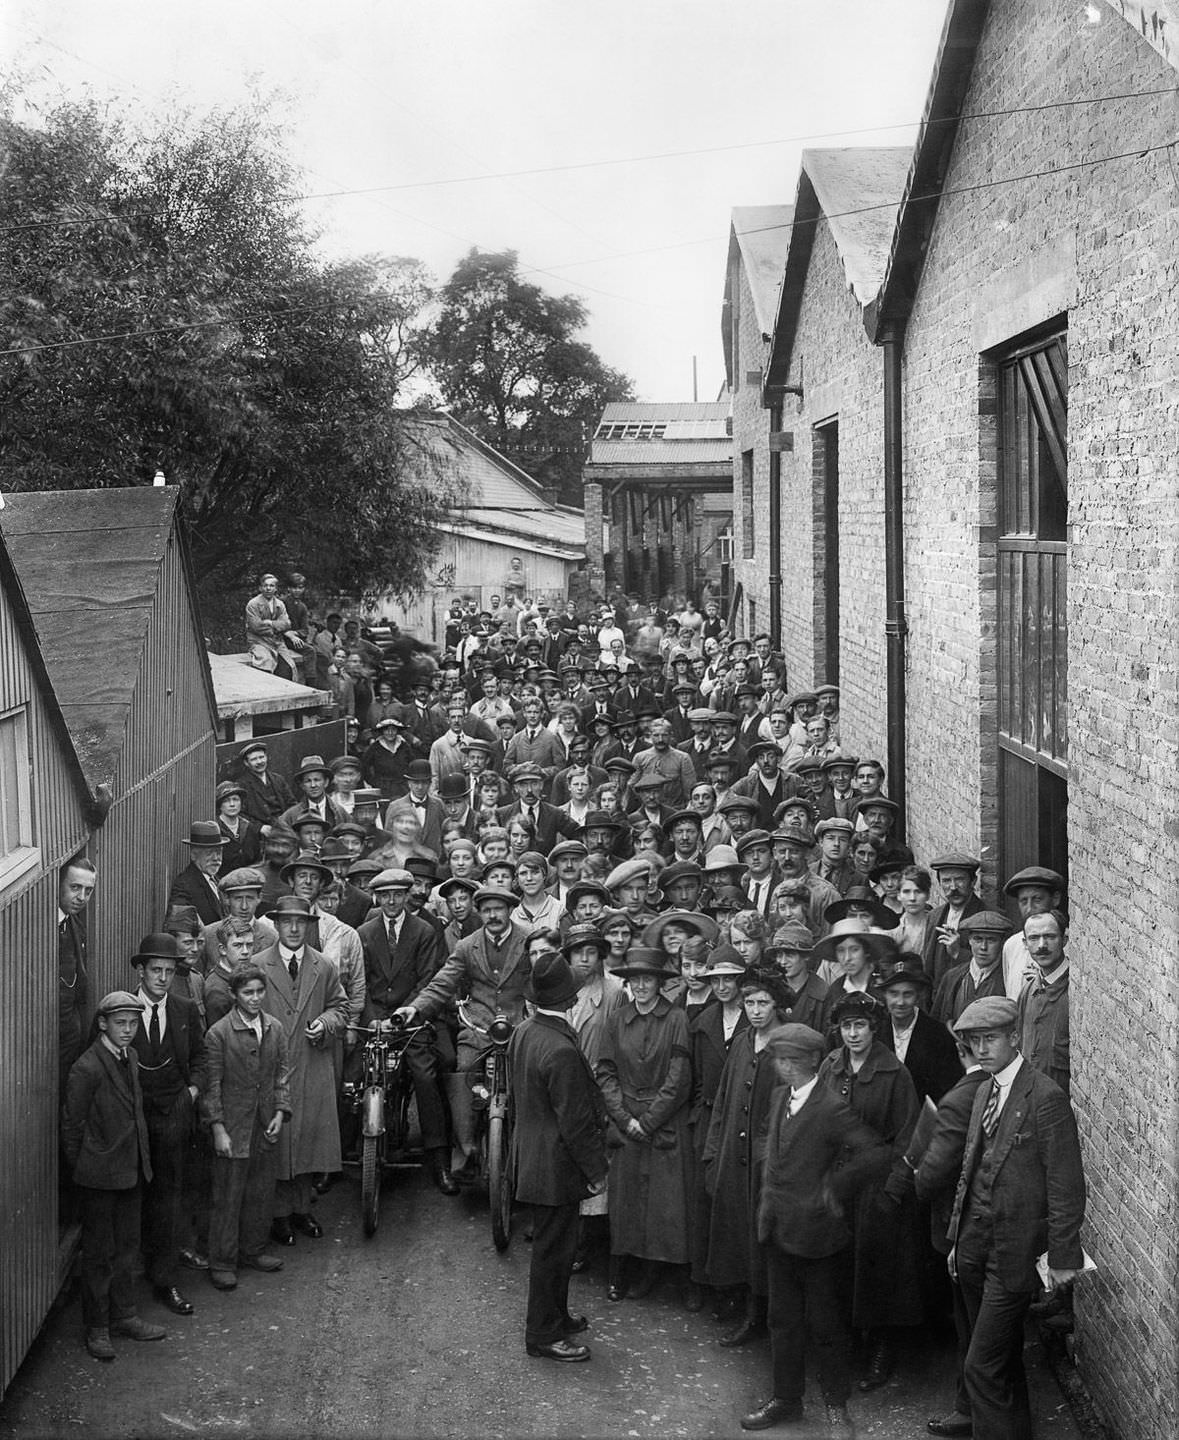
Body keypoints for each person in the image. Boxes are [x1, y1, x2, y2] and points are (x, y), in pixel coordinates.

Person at [945, 998, 1086, 1440]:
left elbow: (1066, 1184)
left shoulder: (1044, 1097)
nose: (981, 1049)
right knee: (999, 1358)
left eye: (990, 1039)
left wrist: (1064, 1257)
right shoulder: (985, 1089)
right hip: (974, 1245)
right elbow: (970, 1168)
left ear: (1014, 1039)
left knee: (981, 1364)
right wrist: (956, 1239)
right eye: (974, 1041)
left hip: (1015, 1251)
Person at [743, 1022, 889, 1436]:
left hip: (821, 1237)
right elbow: (771, 1143)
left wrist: (834, 1188)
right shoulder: (778, 1097)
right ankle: (786, 1399)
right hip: (779, 1229)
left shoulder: (829, 1107)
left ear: (812, 1062)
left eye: (791, 1060)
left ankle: (835, 1407)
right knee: (782, 1320)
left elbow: (875, 1153)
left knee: (826, 1326)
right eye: (779, 1059)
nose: (783, 1068)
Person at [818, 991, 922, 1391]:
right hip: (839, 1184)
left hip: (876, 1189)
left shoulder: (894, 1073)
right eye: (846, 1026)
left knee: (879, 1273)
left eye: (860, 1025)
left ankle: (881, 1348)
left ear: (873, 1027)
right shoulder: (832, 1066)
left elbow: (910, 1135)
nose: (853, 1033)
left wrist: (894, 1188)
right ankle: (846, 1347)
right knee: (839, 1269)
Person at [509, 949, 609, 1363]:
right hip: (556, 1164)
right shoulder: (562, 1049)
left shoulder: (525, 1031)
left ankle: (557, 1316)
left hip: (533, 1154)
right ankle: (544, 1334)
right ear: (570, 1000)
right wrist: (596, 1170)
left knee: (557, 1247)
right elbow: (575, 1123)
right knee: (553, 1253)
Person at [394, 887, 533, 1179]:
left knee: (531, 1081)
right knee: (464, 1072)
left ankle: (530, 1158)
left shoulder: (529, 939)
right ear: (478, 913)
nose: (493, 915)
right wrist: (416, 1009)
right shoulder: (468, 945)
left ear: (509, 910)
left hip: (520, 1026)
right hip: (479, 1026)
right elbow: (443, 982)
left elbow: (544, 975)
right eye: (486, 910)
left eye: (498, 909)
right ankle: (466, 1151)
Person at [62, 991, 165, 1362]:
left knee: (126, 1250)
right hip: (99, 1178)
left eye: (133, 1023)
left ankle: (125, 1316)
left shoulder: (131, 1056)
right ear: (103, 1023)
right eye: (120, 1023)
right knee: (99, 1256)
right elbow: (72, 1128)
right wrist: (88, 1169)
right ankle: (98, 1328)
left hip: (132, 1170)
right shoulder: (86, 1067)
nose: (127, 1030)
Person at [595, 945, 693, 1304]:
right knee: (626, 1203)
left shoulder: (676, 1019)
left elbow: (679, 1078)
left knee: (665, 1205)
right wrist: (623, 1117)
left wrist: (648, 1121)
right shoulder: (617, 1019)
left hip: (664, 1123)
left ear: (659, 983)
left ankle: (657, 1273)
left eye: (647, 979)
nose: (640, 986)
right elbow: (605, 1072)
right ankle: (621, 1271)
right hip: (626, 1121)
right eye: (634, 979)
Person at [703, 966, 793, 1347]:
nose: (756, 1010)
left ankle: (767, 1316)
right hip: (732, 1152)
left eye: (763, 1003)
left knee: (766, 1239)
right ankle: (744, 1306)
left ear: (777, 1006)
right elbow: (723, 1100)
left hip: (767, 1159)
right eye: (750, 1003)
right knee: (737, 1233)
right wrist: (713, 1151)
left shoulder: (788, 1046)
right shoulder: (742, 1042)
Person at [355, 869, 456, 1194]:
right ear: (377, 898)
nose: (392, 901)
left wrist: (403, 1014)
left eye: (398, 894)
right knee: (354, 1075)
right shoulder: (365, 932)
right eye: (385, 895)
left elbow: (428, 980)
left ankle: (438, 1157)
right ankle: (350, 1152)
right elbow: (362, 984)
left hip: (410, 1019)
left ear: (407, 896)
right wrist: (372, 1019)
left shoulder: (424, 931)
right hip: (375, 1021)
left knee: (425, 1076)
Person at [254, 895, 348, 1243]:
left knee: (308, 1138)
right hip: (273, 1065)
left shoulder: (323, 966)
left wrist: (325, 1022)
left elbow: (341, 1006)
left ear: (309, 926)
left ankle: (301, 1210)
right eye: (286, 922)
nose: (294, 928)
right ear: (276, 925)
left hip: (311, 1062)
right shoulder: (257, 964)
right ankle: (277, 1215)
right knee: (277, 1141)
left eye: (301, 922)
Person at [127, 933, 206, 1318]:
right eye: (155, 970)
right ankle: (127, 1284)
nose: (161, 978)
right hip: (134, 1121)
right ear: (140, 971)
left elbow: (202, 1057)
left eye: (169, 971)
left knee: (169, 1198)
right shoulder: (121, 1012)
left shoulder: (185, 1009)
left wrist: (192, 1091)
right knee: (131, 1197)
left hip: (174, 1115)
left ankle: (165, 1279)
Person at [200, 965, 290, 1291]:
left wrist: (280, 1112)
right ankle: (222, 1261)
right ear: (234, 996)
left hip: (264, 1122)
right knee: (228, 1194)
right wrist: (218, 1128)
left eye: (259, 992)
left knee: (261, 1190)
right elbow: (211, 1086)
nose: (254, 999)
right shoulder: (219, 1034)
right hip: (233, 1125)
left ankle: (254, 1250)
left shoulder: (276, 1028)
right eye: (247, 993)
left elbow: (281, 1074)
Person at [878, 955, 963, 1105]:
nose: (900, 1002)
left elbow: (948, 1092)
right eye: (894, 993)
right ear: (885, 995)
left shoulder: (939, 1036)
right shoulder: (875, 1032)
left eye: (908, 994)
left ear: (918, 995)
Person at [1016, 909, 1071, 1096]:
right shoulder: (1028, 991)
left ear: (1064, 939)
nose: (1042, 945)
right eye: (1033, 938)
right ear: (1025, 943)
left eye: (1049, 936)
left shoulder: (1074, 992)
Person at [58, 855, 96, 1104]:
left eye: (88, 890)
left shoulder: (75, 926)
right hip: (51, 1042)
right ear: (59, 884)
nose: (82, 897)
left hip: (71, 1040)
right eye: (75, 887)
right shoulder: (43, 928)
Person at [168, 820, 229, 927]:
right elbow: (179, 928)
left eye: (219, 852)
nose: (216, 858)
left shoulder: (217, 880)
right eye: (209, 853)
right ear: (193, 855)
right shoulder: (184, 885)